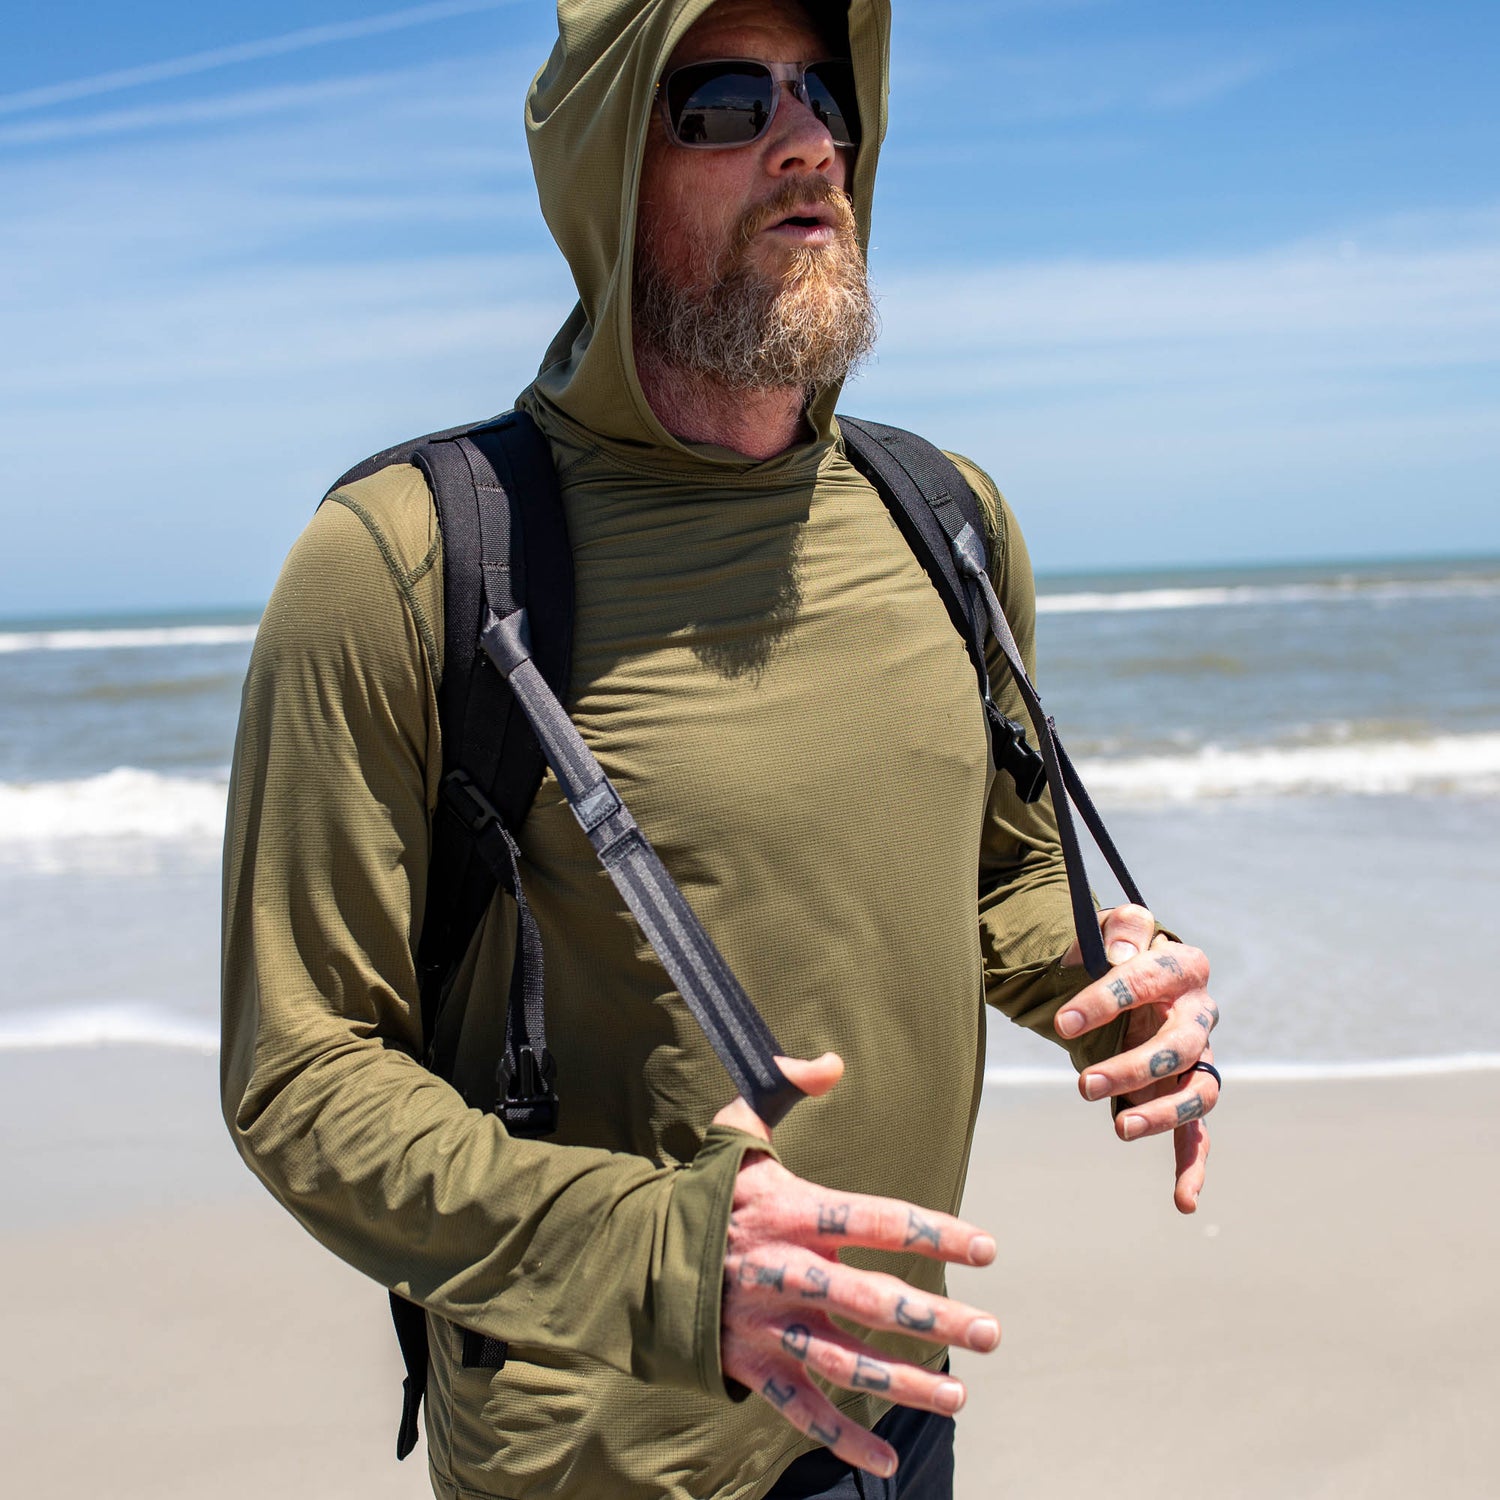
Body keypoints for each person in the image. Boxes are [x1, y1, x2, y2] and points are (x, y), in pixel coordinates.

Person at [220, 0, 1221, 1496]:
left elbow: (998, 875)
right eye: (725, 102)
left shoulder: (944, 518)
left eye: (827, 91)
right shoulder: (409, 562)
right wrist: (668, 1258)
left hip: (892, 1404)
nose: (808, 138)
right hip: (592, 1454)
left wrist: (1107, 975)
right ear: (608, 167)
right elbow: (301, 1076)